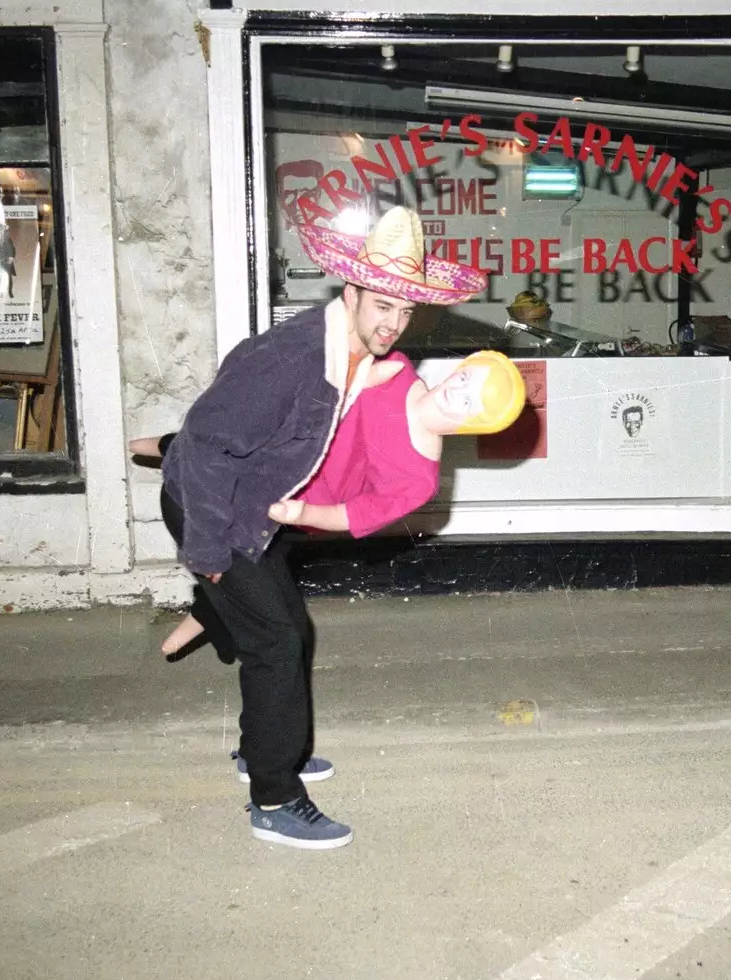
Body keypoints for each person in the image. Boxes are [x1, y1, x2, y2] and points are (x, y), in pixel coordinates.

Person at [153, 205, 488, 850]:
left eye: (404, 311)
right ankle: (274, 798)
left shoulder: (360, 353)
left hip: (262, 509)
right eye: (381, 305)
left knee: (285, 630)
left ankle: (264, 749)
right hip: (215, 507)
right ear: (352, 292)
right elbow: (202, 446)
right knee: (277, 640)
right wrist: (208, 552)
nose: (392, 323)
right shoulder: (295, 357)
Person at [132, 348, 526, 659]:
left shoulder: (419, 481)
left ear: (475, 424)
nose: (459, 391)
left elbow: (355, 515)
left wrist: (302, 513)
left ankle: (200, 619)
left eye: (472, 402)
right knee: (214, 449)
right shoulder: (397, 369)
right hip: (277, 454)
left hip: (290, 511)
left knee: (253, 582)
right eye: (466, 379)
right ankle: (162, 445)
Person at [0, 223, 17, 299]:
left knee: (8, 277)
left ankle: (10, 292)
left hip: (6, 261)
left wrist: (11, 257)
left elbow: (13, 249)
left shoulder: (8, 239)